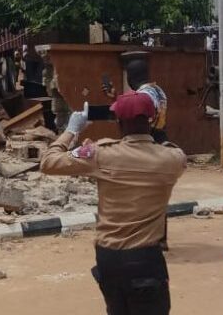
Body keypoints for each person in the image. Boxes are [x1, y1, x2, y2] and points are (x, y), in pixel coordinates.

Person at [41, 91, 186, 315]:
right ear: (152, 119)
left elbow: (48, 162)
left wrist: (72, 130)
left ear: (119, 123)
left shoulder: (100, 154)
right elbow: (167, 147)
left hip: (109, 259)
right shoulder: (173, 159)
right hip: (145, 259)